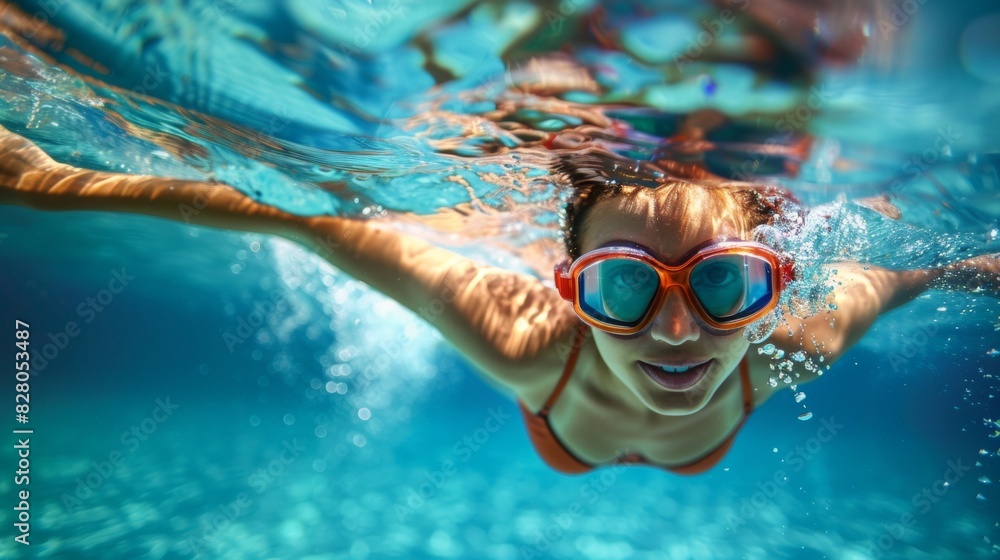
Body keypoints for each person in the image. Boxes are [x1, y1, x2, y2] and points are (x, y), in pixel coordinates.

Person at [1, 126, 997, 475]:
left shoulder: (793, 345)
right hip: (558, 420)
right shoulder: (526, 343)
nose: (680, 329)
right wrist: (49, 178)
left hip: (662, 428)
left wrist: (965, 267)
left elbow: (900, 276)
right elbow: (298, 216)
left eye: (727, 281)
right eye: (622, 287)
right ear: (568, 291)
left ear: (774, 279)